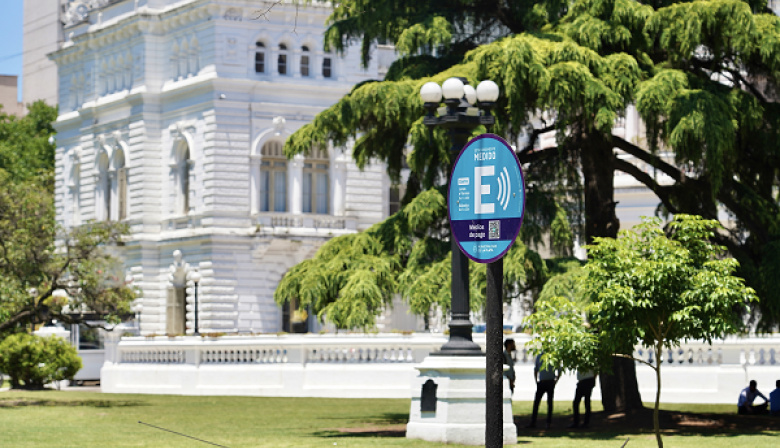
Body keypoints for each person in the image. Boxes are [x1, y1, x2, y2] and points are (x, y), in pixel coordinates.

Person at [527, 352, 559, 429]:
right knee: (537, 402)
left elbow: (559, 369)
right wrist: (536, 381)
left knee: (550, 403)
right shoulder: (539, 356)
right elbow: (536, 369)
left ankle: (548, 423)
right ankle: (533, 422)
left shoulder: (553, 356)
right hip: (542, 382)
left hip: (550, 382)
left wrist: (556, 380)